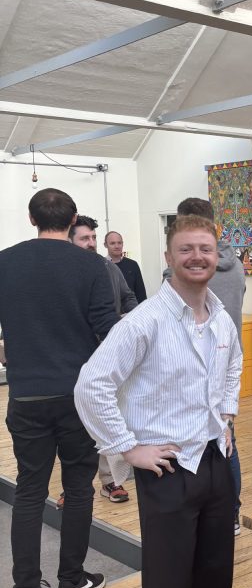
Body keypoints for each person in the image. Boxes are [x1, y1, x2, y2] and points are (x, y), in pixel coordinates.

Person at [74, 214, 252, 588]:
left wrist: (226, 413)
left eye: (206, 249)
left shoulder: (220, 316)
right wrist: (128, 448)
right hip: (168, 473)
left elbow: (234, 366)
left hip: (216, 465)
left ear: (216, 254)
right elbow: (91, 383)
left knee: (213, 587)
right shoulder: (146, 320)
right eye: (187, 249)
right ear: (170, 255)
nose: (197, 257)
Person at [0, 188, 117, 588]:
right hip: (76, 394)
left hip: (27, 393)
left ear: (32, 219)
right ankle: (71, 581)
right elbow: (107, 330)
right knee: (79, 486)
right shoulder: (91, 264)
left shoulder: (5, 261)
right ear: (72, 223)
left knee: (30, 491)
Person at [173, 197, 246, 533]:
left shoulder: (184, 270)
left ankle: (219, 510)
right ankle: (229, 510)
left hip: (197, 360)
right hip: (226, 356)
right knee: (225, 435)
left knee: (213, 440)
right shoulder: (236, 265)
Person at [69, 214, 138, 504]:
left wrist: (126, 322)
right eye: (85, 238)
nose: (91, 243)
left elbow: (130, 298)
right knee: (74, 427)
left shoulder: (108, 268)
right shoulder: (64, 272)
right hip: (72, 357)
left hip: (106, 354)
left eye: (93, 238)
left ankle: (111, 481)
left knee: (107, 415)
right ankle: (72, 487)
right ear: (70, 240)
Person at [105, 230, 147, 303]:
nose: (117, 246)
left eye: (119, 243)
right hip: (111, 311)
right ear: (105, 245)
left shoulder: (133, 265)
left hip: (132, 310)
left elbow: (141, 293)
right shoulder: (102, 265)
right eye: (112, 243)